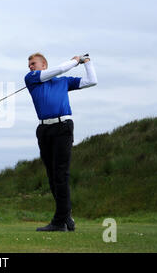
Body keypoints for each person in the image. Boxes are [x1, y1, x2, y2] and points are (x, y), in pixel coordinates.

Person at [24, 53, 97, 232]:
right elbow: (61, 68)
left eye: (33, 64)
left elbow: (91, 81)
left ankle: (59, 221)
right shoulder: (31, 78)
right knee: (52, 176)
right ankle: (66, 218)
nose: (30, 67)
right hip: (44, 130)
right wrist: (75, 61)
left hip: (63, 128)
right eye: (29, 65)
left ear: (44, 65)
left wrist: (87, 62)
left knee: (61, 174)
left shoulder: (63, 82)